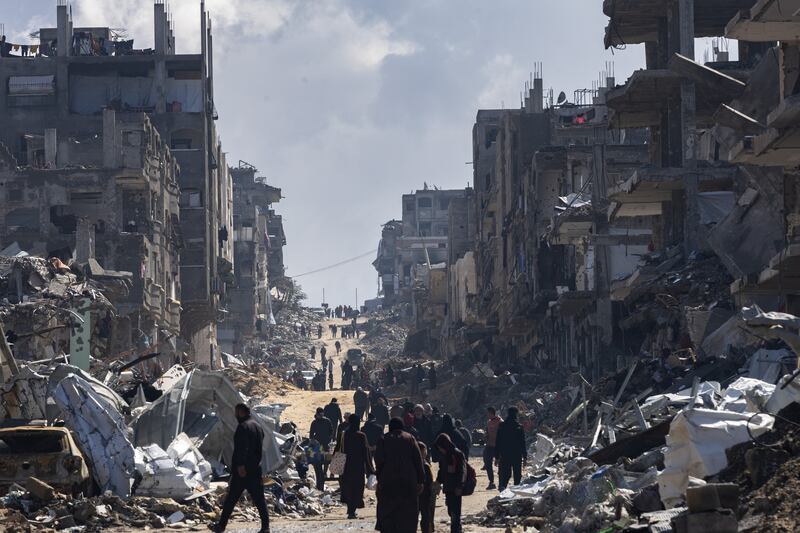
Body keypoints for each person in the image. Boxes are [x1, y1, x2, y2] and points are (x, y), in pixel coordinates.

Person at [211, 404, 270, 533]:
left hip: (243, 471)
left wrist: (240, 466)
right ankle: (266, 527)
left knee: (231, 499)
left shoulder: (243, 427)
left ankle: (221, 526)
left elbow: (241, 449)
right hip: (255, 469)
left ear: (241, 412)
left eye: (236, 412)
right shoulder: (258, 426)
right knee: (260, 499)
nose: (235, 415)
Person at [374, 418, 425, 533]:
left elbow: (379, 461)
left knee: (388, 514)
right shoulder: (410, 438)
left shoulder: (383, 439)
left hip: (388, 483)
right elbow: (418, 461)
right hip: (408, 483)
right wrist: (421, 480)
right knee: (407, 515)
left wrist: (379, 478)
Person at [336, 414, 374, 519]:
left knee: (347, 487)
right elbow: (366, 453)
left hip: (345, 466)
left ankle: (350, 509)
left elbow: (337, 449)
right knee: (357, 488)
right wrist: (370, 469)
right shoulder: (361, 436)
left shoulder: (343, 434)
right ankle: (352, 510)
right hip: (358, 467)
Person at [435, 433, 465, 533]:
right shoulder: (443, 456)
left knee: (455, 512)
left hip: (456, 488)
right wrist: (438, 482)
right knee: (450, 510)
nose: (440, 450)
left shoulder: (458, 454)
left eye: (440, 447)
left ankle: (456, 530)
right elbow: (441, 471)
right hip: (448, 488)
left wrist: (459, 486)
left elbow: (462, 472)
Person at [495, 406, 527, 491]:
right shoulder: (519, 427)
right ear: (516, 414)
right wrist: (525, 457)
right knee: (517, 475)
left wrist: (497, 456)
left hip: (505, 455)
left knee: (505, 474)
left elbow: (498, 441)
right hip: (516, 455)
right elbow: (522, 443)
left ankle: (503, 489)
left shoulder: (502, 426)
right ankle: (516, 492)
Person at [309, 408, 334, 491]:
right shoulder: (314, 422)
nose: (321, 416)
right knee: (319, 460)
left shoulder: (327, 421)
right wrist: (313, 441)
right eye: (320, 414)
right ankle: (320, 474)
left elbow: (331, 431)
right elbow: (311, 434)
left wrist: (329, 438)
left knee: (326, 459)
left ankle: (325, 472)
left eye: (322, 414)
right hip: (318, 445)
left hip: (326, 443)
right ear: (317, 414)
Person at [418, 442, 436, 533]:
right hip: (425, 495)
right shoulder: (424, 465)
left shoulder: (422, 463)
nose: (425, 454)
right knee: (426, 518)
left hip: (421, 495)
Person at [484, 407, 503, 490]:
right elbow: (487, 432)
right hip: (490, 445)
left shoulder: (500, 422)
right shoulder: (488, 422)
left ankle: (501, 483)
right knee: (487, 462)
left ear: (492, 413)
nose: (487, 415)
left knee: (501, 464)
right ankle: (491, 482)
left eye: (488, 413)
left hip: (498, 446)